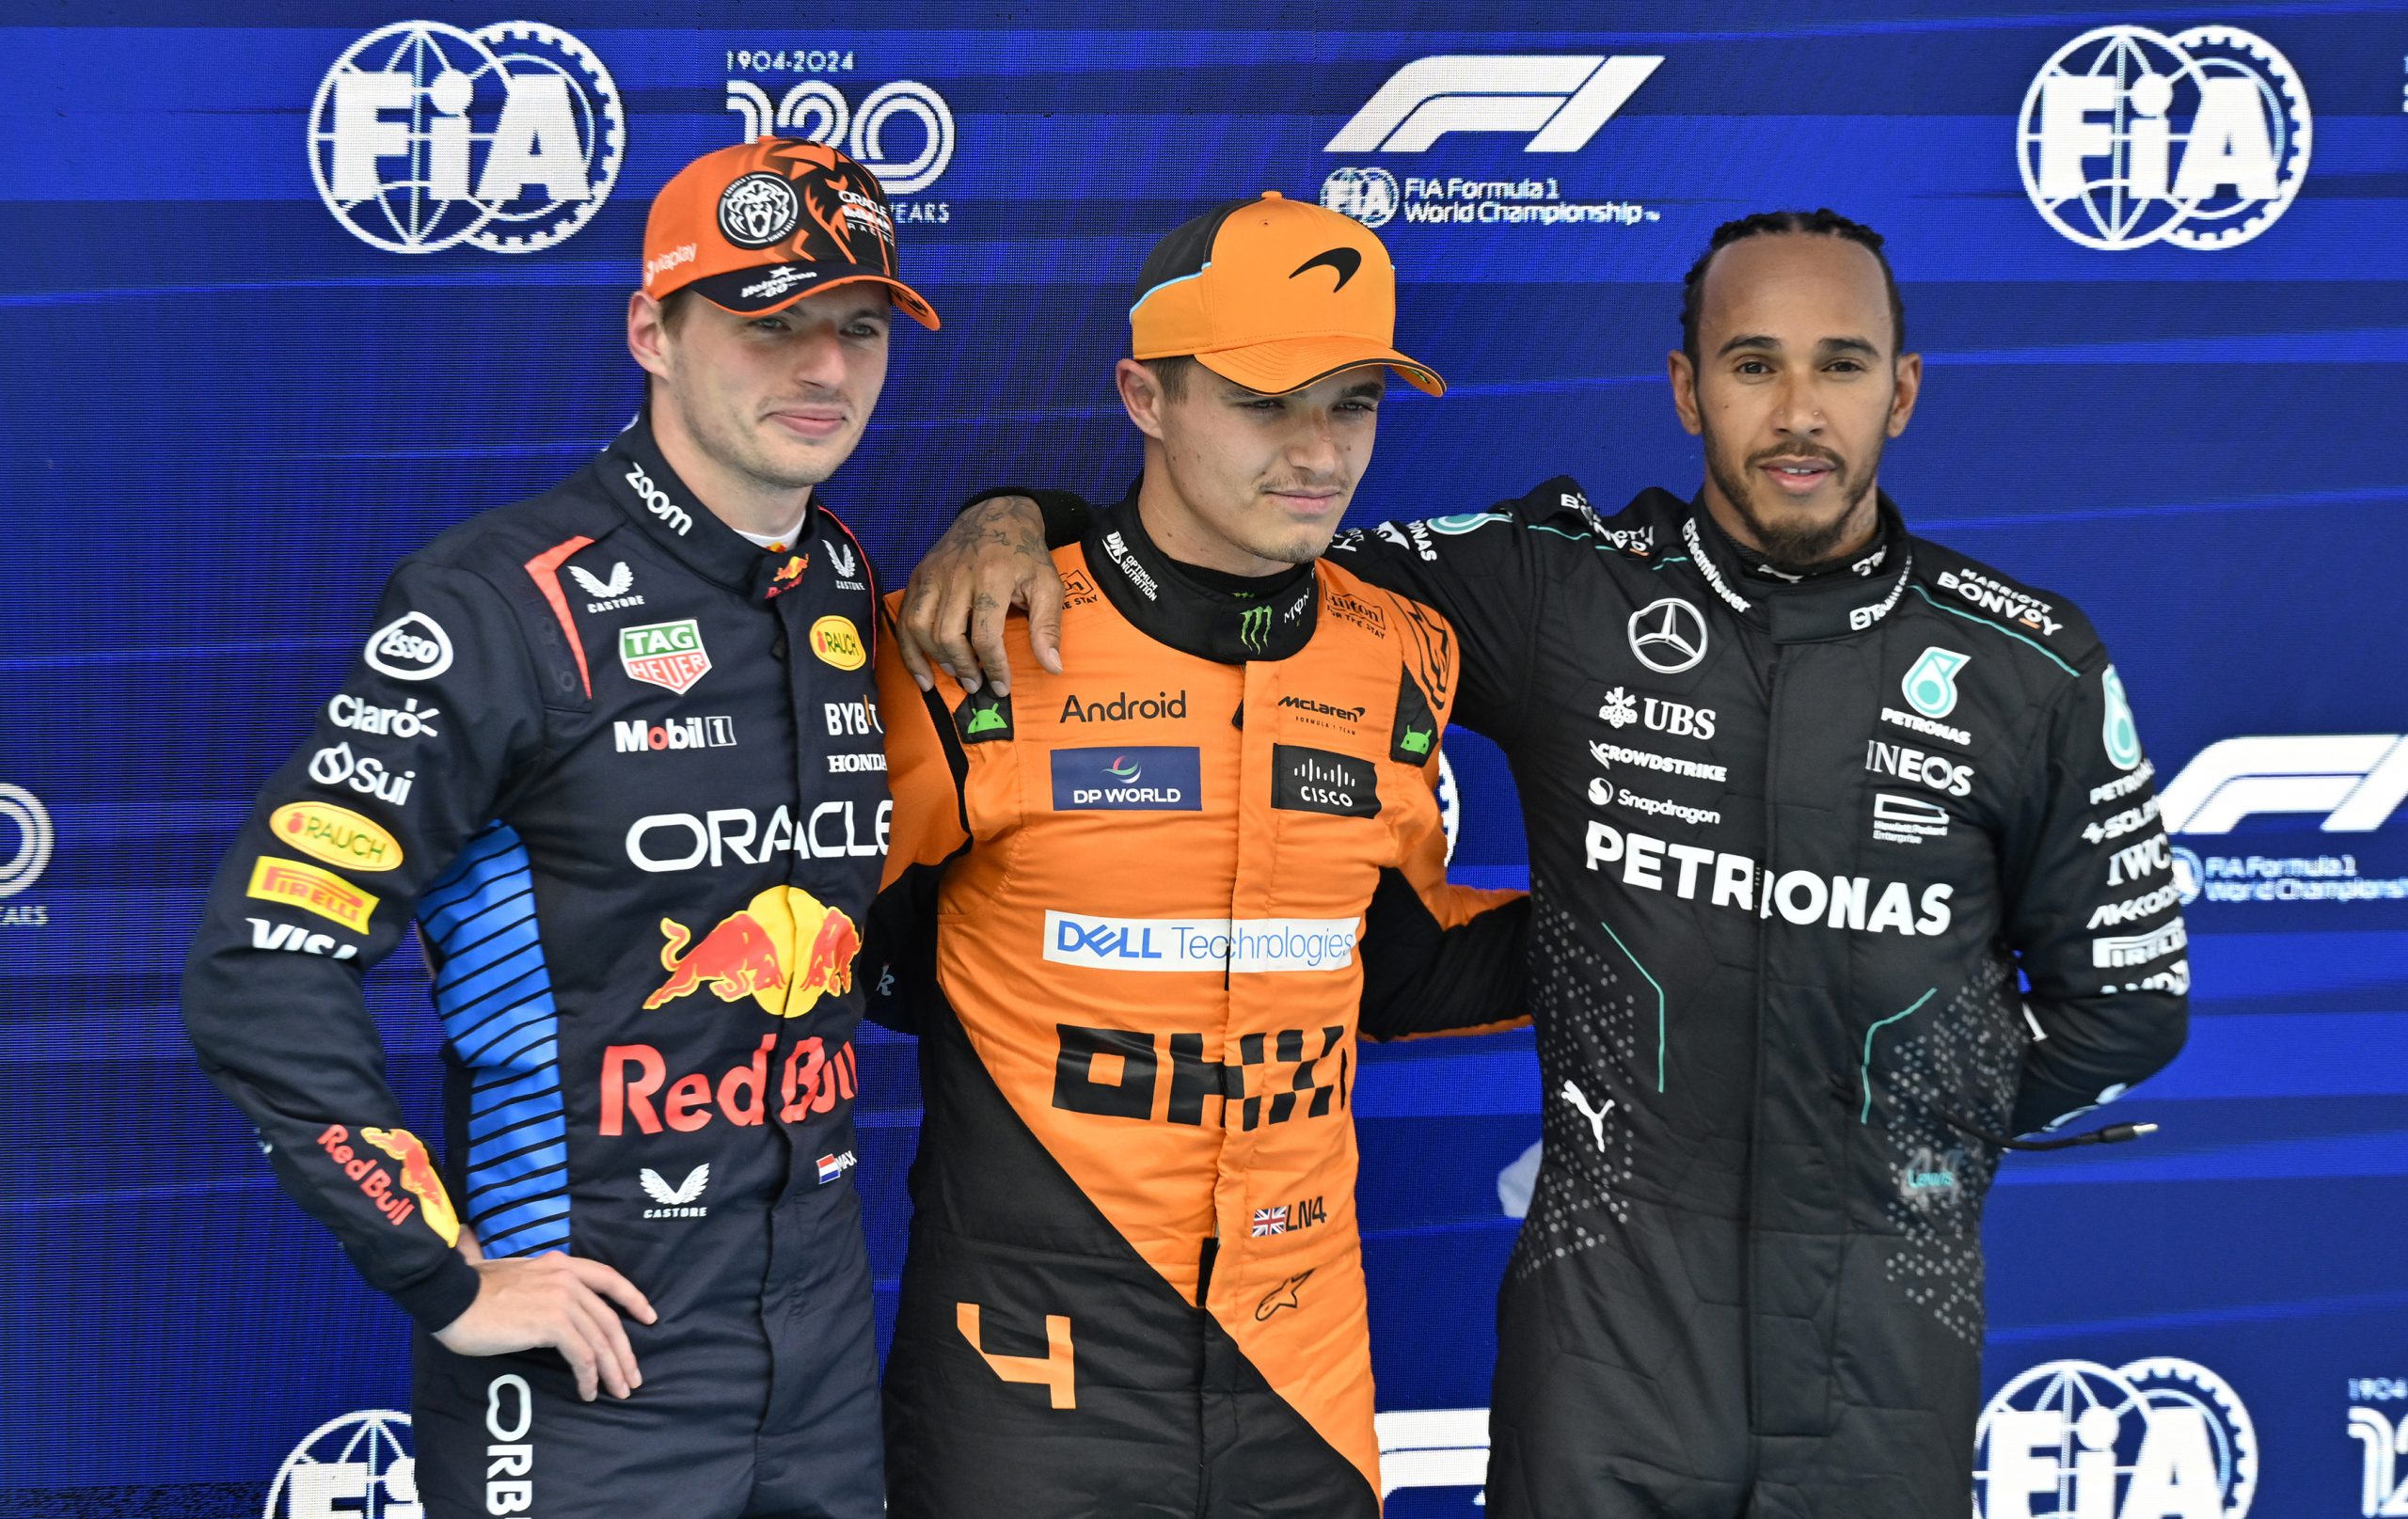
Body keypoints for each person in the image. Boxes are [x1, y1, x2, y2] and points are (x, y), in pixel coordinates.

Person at [900, 208, 2190, 1518]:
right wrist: (1015, 518)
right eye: (1753, 364)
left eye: (1841, 364)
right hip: (1581, 1347)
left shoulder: (2029, 662)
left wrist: (1898, 1128)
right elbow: (1211, 565)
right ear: (1686, 387)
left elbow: (2128, 1007)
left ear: (1902, 389)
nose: (1799, 409)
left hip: (1864, 1334)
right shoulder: (1556, 589)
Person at [182, 137, 936, 1519]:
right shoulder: (495, 604)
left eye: (860, 328)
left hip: (821, 1354)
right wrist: (445, 1274)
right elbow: (264, 962)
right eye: (771, 327)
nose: (824, 369)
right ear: (652, 328)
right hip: (588, 1368)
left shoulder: (838, 580)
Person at [862, 191, 1529, 1518]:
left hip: (1305, 1386)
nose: (1319, 451)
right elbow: (820, 957)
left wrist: (1691, 946)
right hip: (1026, 1389)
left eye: (1353, 403)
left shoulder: (1405, 650)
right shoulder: (967, 639)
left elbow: (1392, 966)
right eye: (1263, 400)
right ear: (1144, 397)